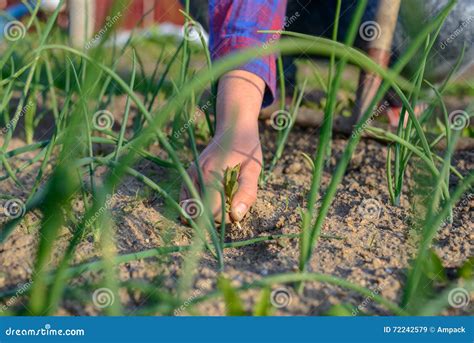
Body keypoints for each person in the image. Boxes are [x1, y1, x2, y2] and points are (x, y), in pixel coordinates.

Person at [180, 0, 474, 224]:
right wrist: (236, 121)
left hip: (367, 11)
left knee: (461, 20)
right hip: (300, 10)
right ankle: (273, 77)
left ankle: (398, 86)